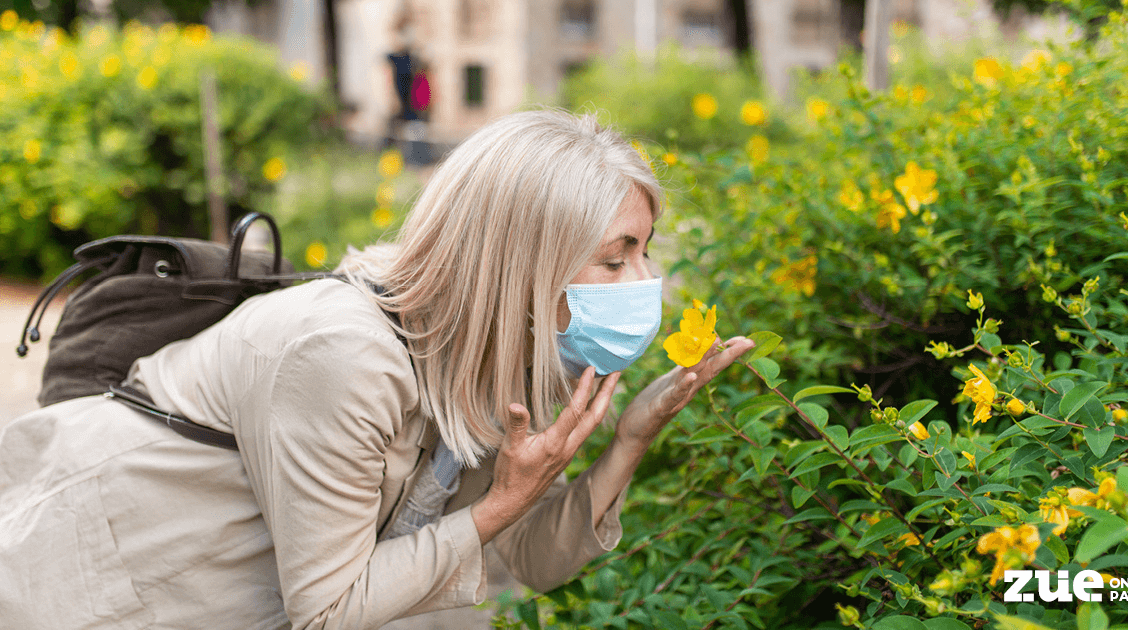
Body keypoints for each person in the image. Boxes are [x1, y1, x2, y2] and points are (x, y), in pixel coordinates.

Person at [0, 109, 755, 630]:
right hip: (80, 587)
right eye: (617, 257)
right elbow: (330, 612)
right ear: (524, 264)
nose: (644, 282)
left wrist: (628, 440)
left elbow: (532, 555)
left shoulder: (507, 354)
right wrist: (499, 503)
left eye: (644, 253)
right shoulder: (342, 355)